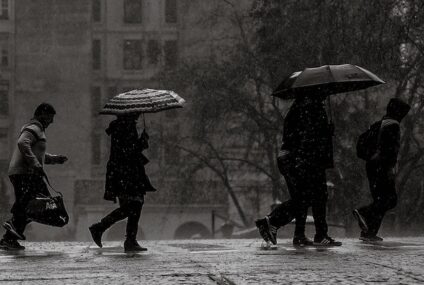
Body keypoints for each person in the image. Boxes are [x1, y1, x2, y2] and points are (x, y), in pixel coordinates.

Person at [256, 94, 342, 246]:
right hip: (303, 159)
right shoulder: (310, 108)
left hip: (296, 158)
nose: (325, 96)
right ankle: (273, 222)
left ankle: (299, 234)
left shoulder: (300, 108)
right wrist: (325, 132)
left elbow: (302, 135)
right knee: (312, 196)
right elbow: (309, 137)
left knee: (304, 197)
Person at [0, 103, 68, 250]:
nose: (52, 121)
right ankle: (11, 229)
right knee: (36, 204)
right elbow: (22, 143)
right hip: (24, 173)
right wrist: (35, 164)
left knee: (32, 205)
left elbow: (38, 155)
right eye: (50, 117)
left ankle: (10, 235)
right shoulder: (33, 128)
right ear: (42, 114)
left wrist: (55, 159)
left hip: (28, 173)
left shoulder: (38, 130)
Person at [89, 113, 156, 252]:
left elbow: (126, 149)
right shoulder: (126, 126)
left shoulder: (121, 125)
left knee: (132, 206)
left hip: (122, 172)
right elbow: (129, 151)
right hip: (127, 173)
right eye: (136, 111)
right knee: (134, 205)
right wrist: (141, 143)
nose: (138, 113)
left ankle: (128, 239)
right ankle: (104, 228)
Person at [353, 98, 410, 242]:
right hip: (382, 166)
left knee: (381, 200)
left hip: (372, 165)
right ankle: (364, 212)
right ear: (399, 112)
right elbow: (389, 150)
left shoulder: (380, 123)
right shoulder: (393, 125)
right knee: (389, 200)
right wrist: (390, 169)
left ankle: (369, 232)